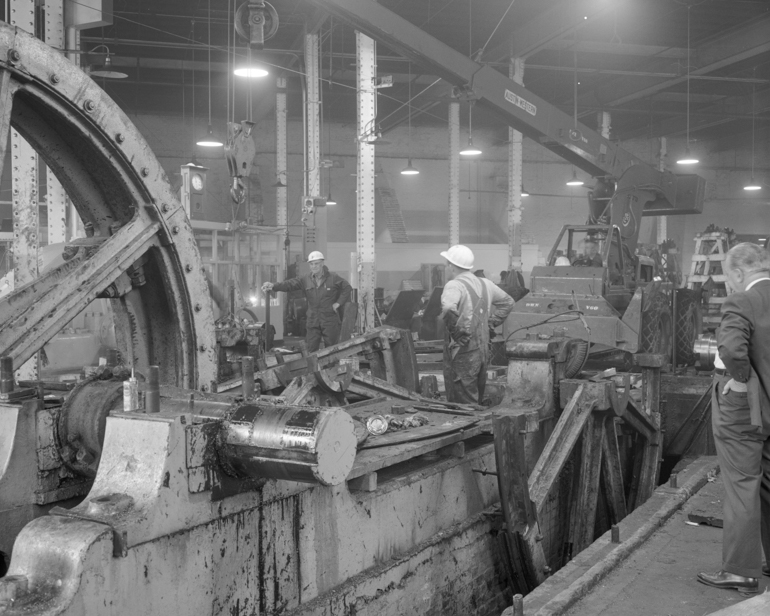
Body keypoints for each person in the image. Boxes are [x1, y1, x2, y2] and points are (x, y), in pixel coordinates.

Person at [697, 243, 770, 595]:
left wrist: (741, 383)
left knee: (741, 484)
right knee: (767, 484)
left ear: (739, 273)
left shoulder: (742, 300)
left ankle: (741, 571)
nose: (729, 285)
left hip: (742, 408)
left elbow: (730, 348)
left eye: (728, 278)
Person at [440, 245, 515, 405]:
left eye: (446, 264)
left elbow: (447, 308)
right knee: (476, 396)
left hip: (463, 351)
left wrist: (457, 332)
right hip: (483, 349)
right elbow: (508, 302)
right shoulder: (485, 284)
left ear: (451, 266)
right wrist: (492, 322)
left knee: (464, 404)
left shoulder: (454, 285)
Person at [262, 251, 352, 352]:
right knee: (311, 349)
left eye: (316, 263)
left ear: (322, 263)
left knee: (332, 348)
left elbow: (347, 288)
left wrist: (338, 303)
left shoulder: (333, 278)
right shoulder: (306, 279)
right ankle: (312, 368)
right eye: (311, 264)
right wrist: (274, 286)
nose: (314, 266)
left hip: (329, 318)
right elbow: (290, 284)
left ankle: (330, 368)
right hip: (313, 318)